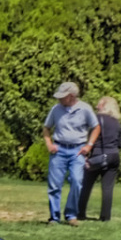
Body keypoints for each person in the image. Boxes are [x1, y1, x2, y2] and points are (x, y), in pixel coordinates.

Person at [43, 81, 98, 224]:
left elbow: (96, 127)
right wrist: (49, 144)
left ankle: (71, 214)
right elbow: (46, 128)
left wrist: (89, 145)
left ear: (72, 96)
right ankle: (54, 217)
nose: (59, 99)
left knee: (77, 181)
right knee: (54, 185)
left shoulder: (85, 109)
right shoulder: (56, 109)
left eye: (63, 96)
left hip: (77, 150)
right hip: (59, 149)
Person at [77, 95, 121, 221]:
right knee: (108, 187)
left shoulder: (95, 119)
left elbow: (90, 138)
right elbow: (119, 143)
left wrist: (86, 154)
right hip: (113, 155)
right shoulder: (117, 123)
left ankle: (80, 213)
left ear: (104, 106)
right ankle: (105, 216)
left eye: (99, 104)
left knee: (86, 184)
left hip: (98, 155)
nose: (96, 106)